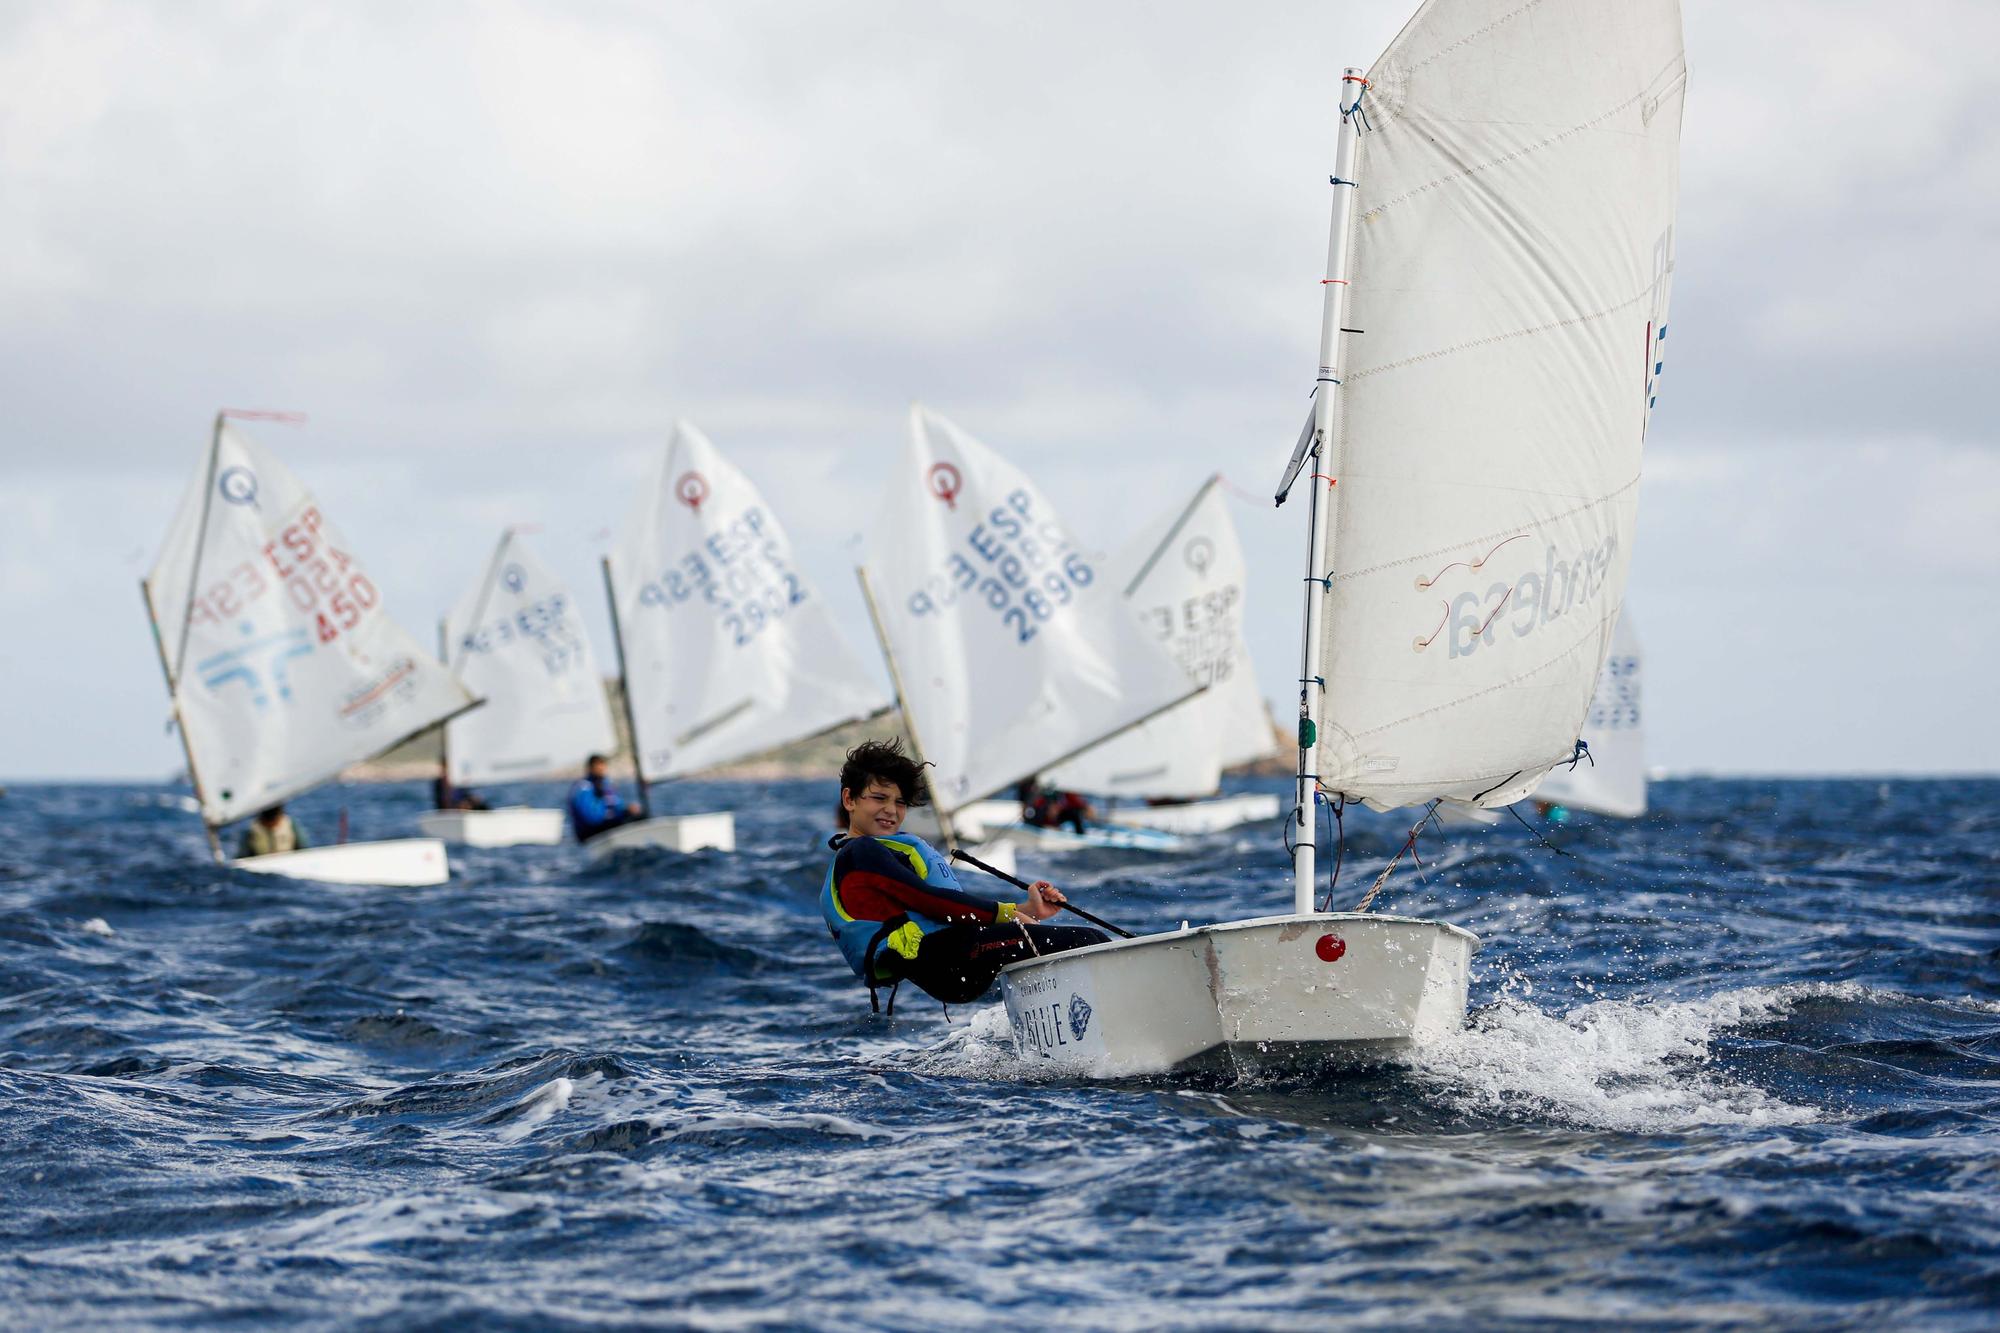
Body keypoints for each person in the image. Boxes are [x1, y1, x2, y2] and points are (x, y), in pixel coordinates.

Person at [822, 739, 1105, 1012]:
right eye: (879, 798)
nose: (891, 810)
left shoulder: (882, 850)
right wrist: (1011, 914)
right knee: (1090, 941)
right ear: (849, 799)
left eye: (900, 802)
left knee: (1055, 949)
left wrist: (1028, 910)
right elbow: (928, 900)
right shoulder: (859, 854)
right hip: (948, 959)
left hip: (957, 956)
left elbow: (945, 907)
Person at [567, 754, 644, 842]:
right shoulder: (583, 787)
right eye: (598, 766)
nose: (601, 769)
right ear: (590, 768)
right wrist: (613, 817)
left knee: (639, 816)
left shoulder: (606, 784)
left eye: (603, 766)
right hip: (590, 832)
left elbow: (617, 805)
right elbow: (591, 818)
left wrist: (626, 811)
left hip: (607, 824)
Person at [238, 804, 306, 858]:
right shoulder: (250, 831)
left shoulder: (291, 825)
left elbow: (304, 850)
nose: (272, 825)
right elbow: (243, 857)